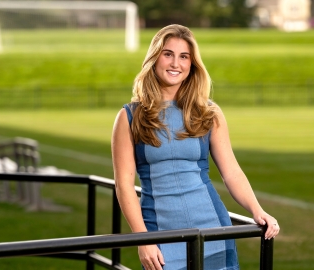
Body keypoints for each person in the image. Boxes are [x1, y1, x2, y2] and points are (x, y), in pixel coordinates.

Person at [111, 24, 280, 270]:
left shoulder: (208, 112)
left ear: (192, 65)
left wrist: (257, 210)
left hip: (212, 228)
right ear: (155, 58)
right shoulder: (129, 117)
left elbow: (231, 171)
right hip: (161, 235)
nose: (175, 63)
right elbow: (124, 186)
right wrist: (142, 239)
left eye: (184, 56)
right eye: (168, 54)